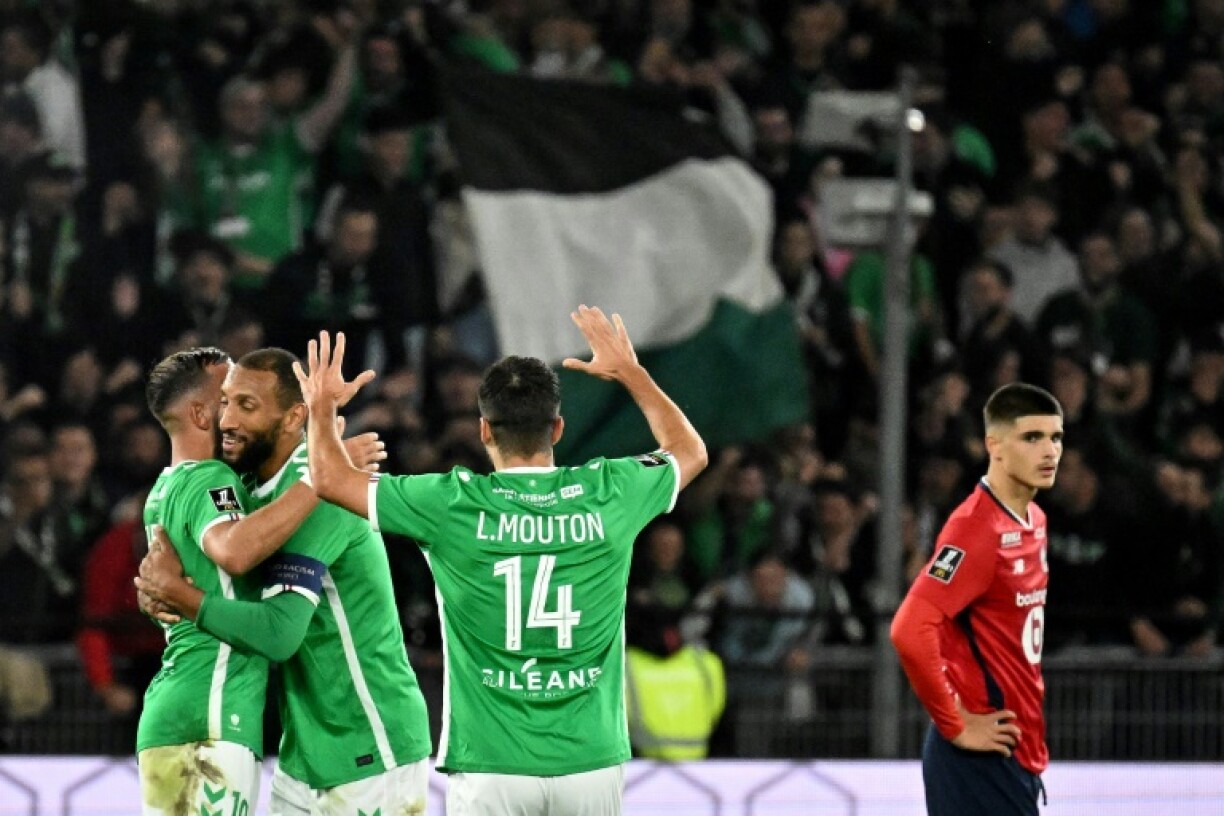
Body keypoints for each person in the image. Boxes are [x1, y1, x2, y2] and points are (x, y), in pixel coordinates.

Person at [294, 307, 708, 816]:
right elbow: (688, 450)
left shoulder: (450, 503)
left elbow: (329, 478)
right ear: (557, 428)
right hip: (591, 763)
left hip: (491, 764)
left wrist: (321, 406)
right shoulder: (609, 492)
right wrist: (630, 372)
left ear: (485, 430)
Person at [137, 347, 433, 816]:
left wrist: (181, 595)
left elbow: (277, 632)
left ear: (292, 417)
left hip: (369, 744)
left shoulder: (327, 493)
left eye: (246, 406)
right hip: (303, 754)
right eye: (226, 401)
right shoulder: (251, 492)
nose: (228, 419)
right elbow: (228, 561)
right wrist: (156, 590)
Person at [135, 347, 345, 816]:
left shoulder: (164, 488)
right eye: (226, 397)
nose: (234, 409)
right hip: (208, 714)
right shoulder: (211, 480)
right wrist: (321, 478)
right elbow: (232, 550)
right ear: (200, 414)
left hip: (181, 708)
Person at [890, 382, 1064, 816]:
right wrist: (956, 724)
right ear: (995, 446)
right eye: (1032, 438)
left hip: (1013, 753)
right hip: (977, 758)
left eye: (1055, 437)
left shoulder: (1034, 520)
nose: (1049, 452)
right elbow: (909, 629)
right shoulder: (976, 530)